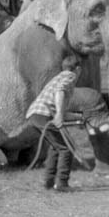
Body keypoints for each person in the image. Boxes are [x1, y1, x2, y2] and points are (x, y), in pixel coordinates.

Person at [26, 55, 82, 192]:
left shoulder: (58, 77)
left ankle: (48, 182)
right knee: (65, 149)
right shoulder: (70, 76)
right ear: (78, 69)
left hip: (35, 114)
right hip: (44, 114)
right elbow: (60, 93)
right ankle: (62, 184)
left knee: (55, 148)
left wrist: (78, 117)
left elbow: (58, 106)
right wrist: (59, 115)